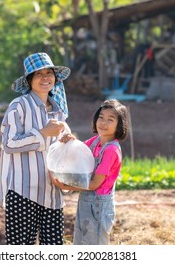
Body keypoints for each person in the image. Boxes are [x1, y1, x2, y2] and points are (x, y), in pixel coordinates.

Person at [0, 52, 71, 245]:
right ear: (29, 80)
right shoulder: (18, 106)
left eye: (49, 73)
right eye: (39, 74)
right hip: (23, 192)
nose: (45, 78)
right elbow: (9, 143)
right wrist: (42, 133)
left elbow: (61, 145)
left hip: (52, 191)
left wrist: (67, 141)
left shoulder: (58, 110)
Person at [51, 99, 129, 245]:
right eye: (101, 117)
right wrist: (69, 140)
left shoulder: (111, 150)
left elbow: (94, 184)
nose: (103, 123)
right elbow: (77, 150)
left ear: (119, 125)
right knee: (82, 242)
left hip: (99, 206)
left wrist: (66, 186)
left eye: (110, 120)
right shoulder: (95, 141)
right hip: (86, 201)